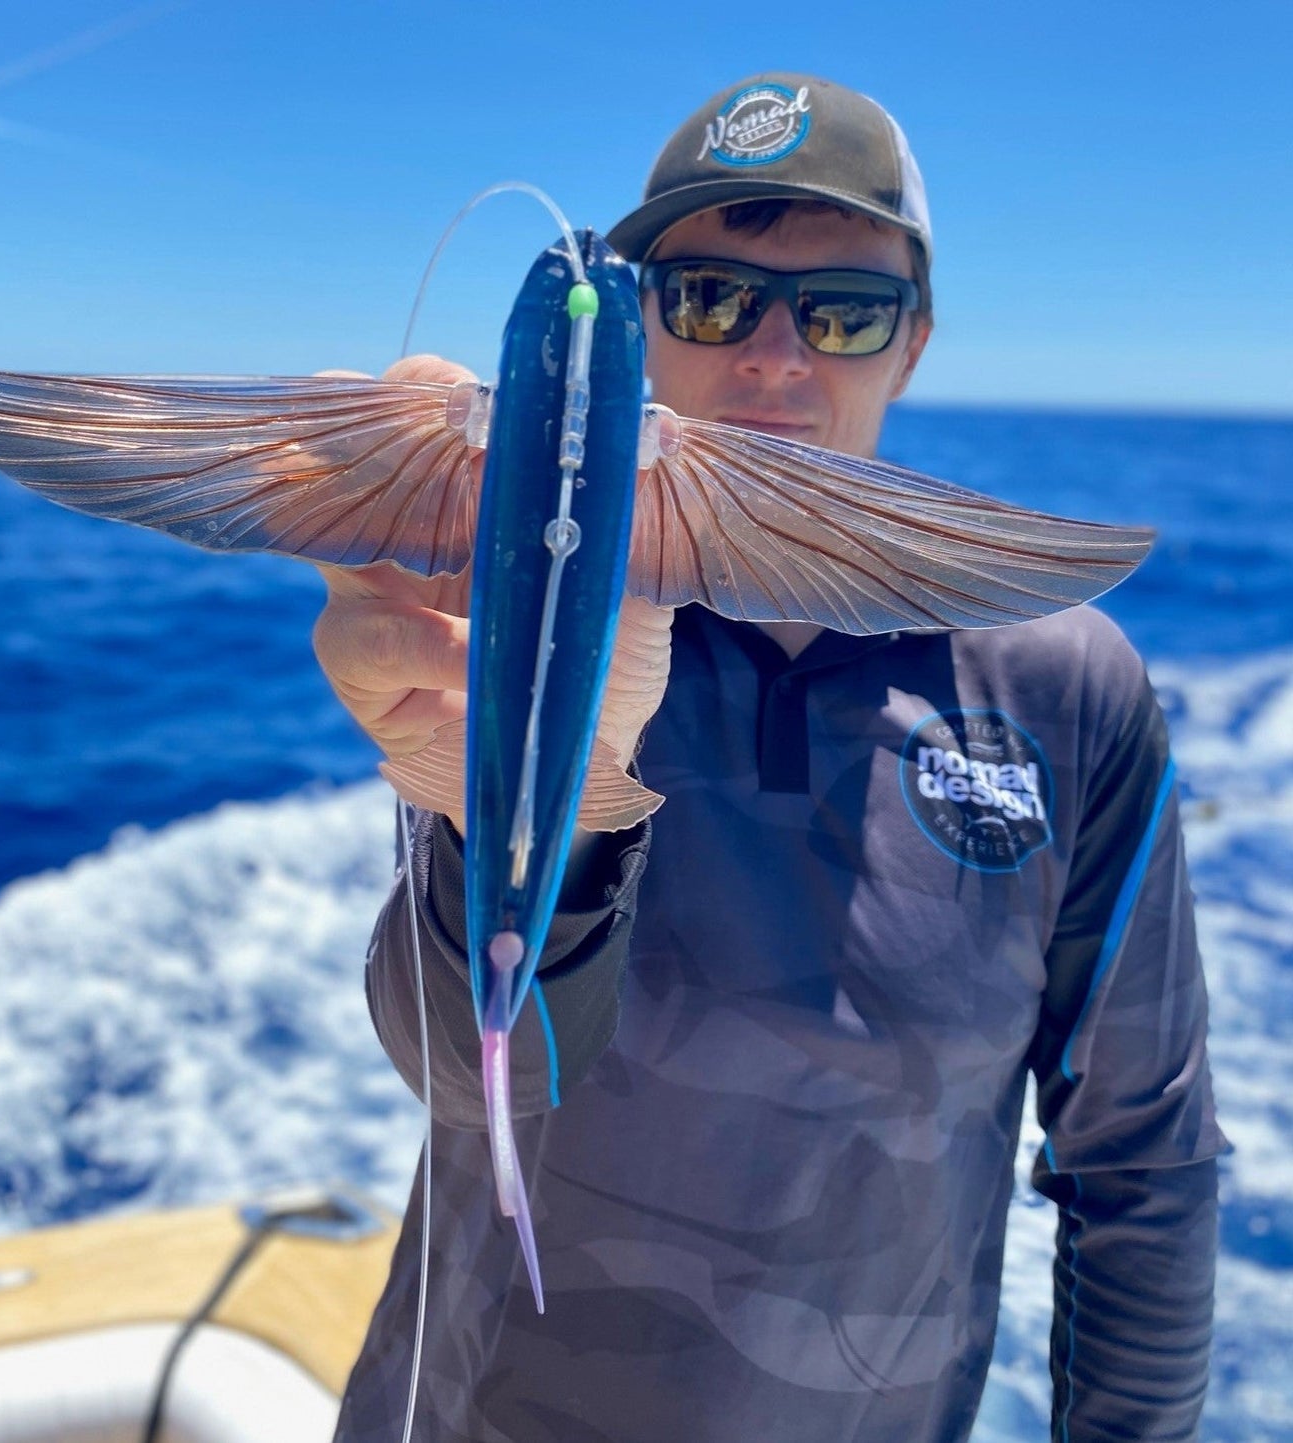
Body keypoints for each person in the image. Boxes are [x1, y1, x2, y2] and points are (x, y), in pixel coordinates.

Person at [319, 72, 1225, 1443]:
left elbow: (1141, 1164)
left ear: (910, 347)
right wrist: (529, 803)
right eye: (707, 298)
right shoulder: (515, 609)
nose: (772, 357)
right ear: (632, 328)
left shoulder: (1066, 681)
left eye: (843, 311)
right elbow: (466, 1071)